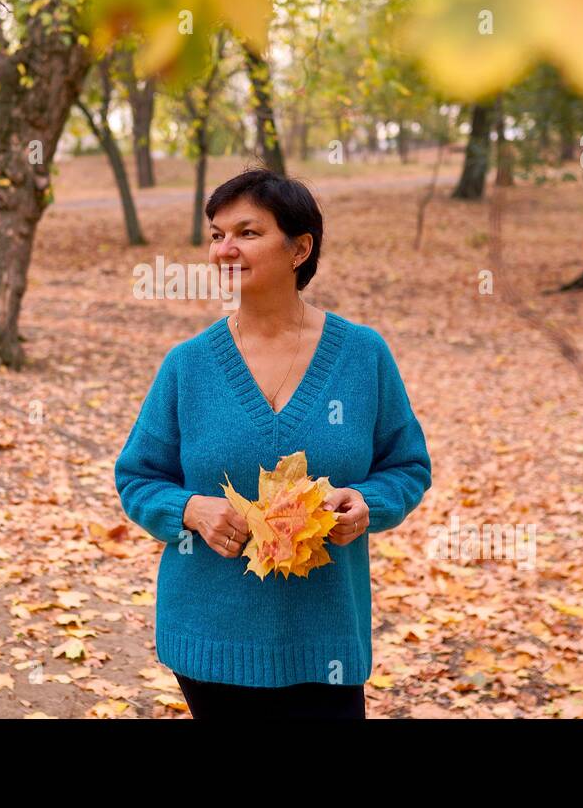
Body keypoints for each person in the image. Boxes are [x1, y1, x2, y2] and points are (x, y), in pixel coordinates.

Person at [114, 167, 433, 719]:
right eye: (216, 235)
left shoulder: (362, 355)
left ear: (299, 248)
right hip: (210, 640)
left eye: (248, 233)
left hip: (326, 639)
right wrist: (190, 509)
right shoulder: (188, 365)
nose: (224, 250)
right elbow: (137, 476)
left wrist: (369, 503)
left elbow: (406, 466)